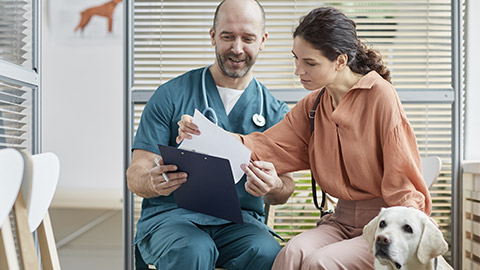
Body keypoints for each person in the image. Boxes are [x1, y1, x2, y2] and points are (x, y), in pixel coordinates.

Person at [177, 6, 432, 270]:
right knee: (291, 253)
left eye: (310, 63)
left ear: (340, 61)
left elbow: (404, 181)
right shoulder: (313, 105)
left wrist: (412, 241)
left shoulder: (380, 95)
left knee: (319, 262)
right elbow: (264, 146)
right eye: (296, 59)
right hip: (340, 221)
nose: (298, 70)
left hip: (382, 224)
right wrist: (203, 133)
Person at [126, 0, 294, 269]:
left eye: (247, 38)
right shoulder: (171, 95)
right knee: (193, 249)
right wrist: (152, 180)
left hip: (240, 223)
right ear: (213, 36)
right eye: (228, 36)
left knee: (266, 252)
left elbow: (286, 186)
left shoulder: (275, 111)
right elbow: (136, 173)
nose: (237, 48)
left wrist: (273, 186)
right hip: (173, 218)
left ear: (262, 40)